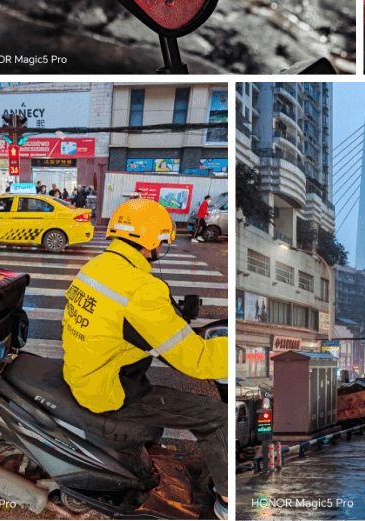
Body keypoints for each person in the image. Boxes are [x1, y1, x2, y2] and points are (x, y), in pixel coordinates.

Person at [62, 198, 231, 505]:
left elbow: (118, 319)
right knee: (218, 416)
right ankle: (228, 501)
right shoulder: (141, 289)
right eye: (163, 242)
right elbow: (197, 360)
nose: (162, 249)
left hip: (84, 371)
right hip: (108, 391)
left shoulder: (96, 266)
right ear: (151, 242)